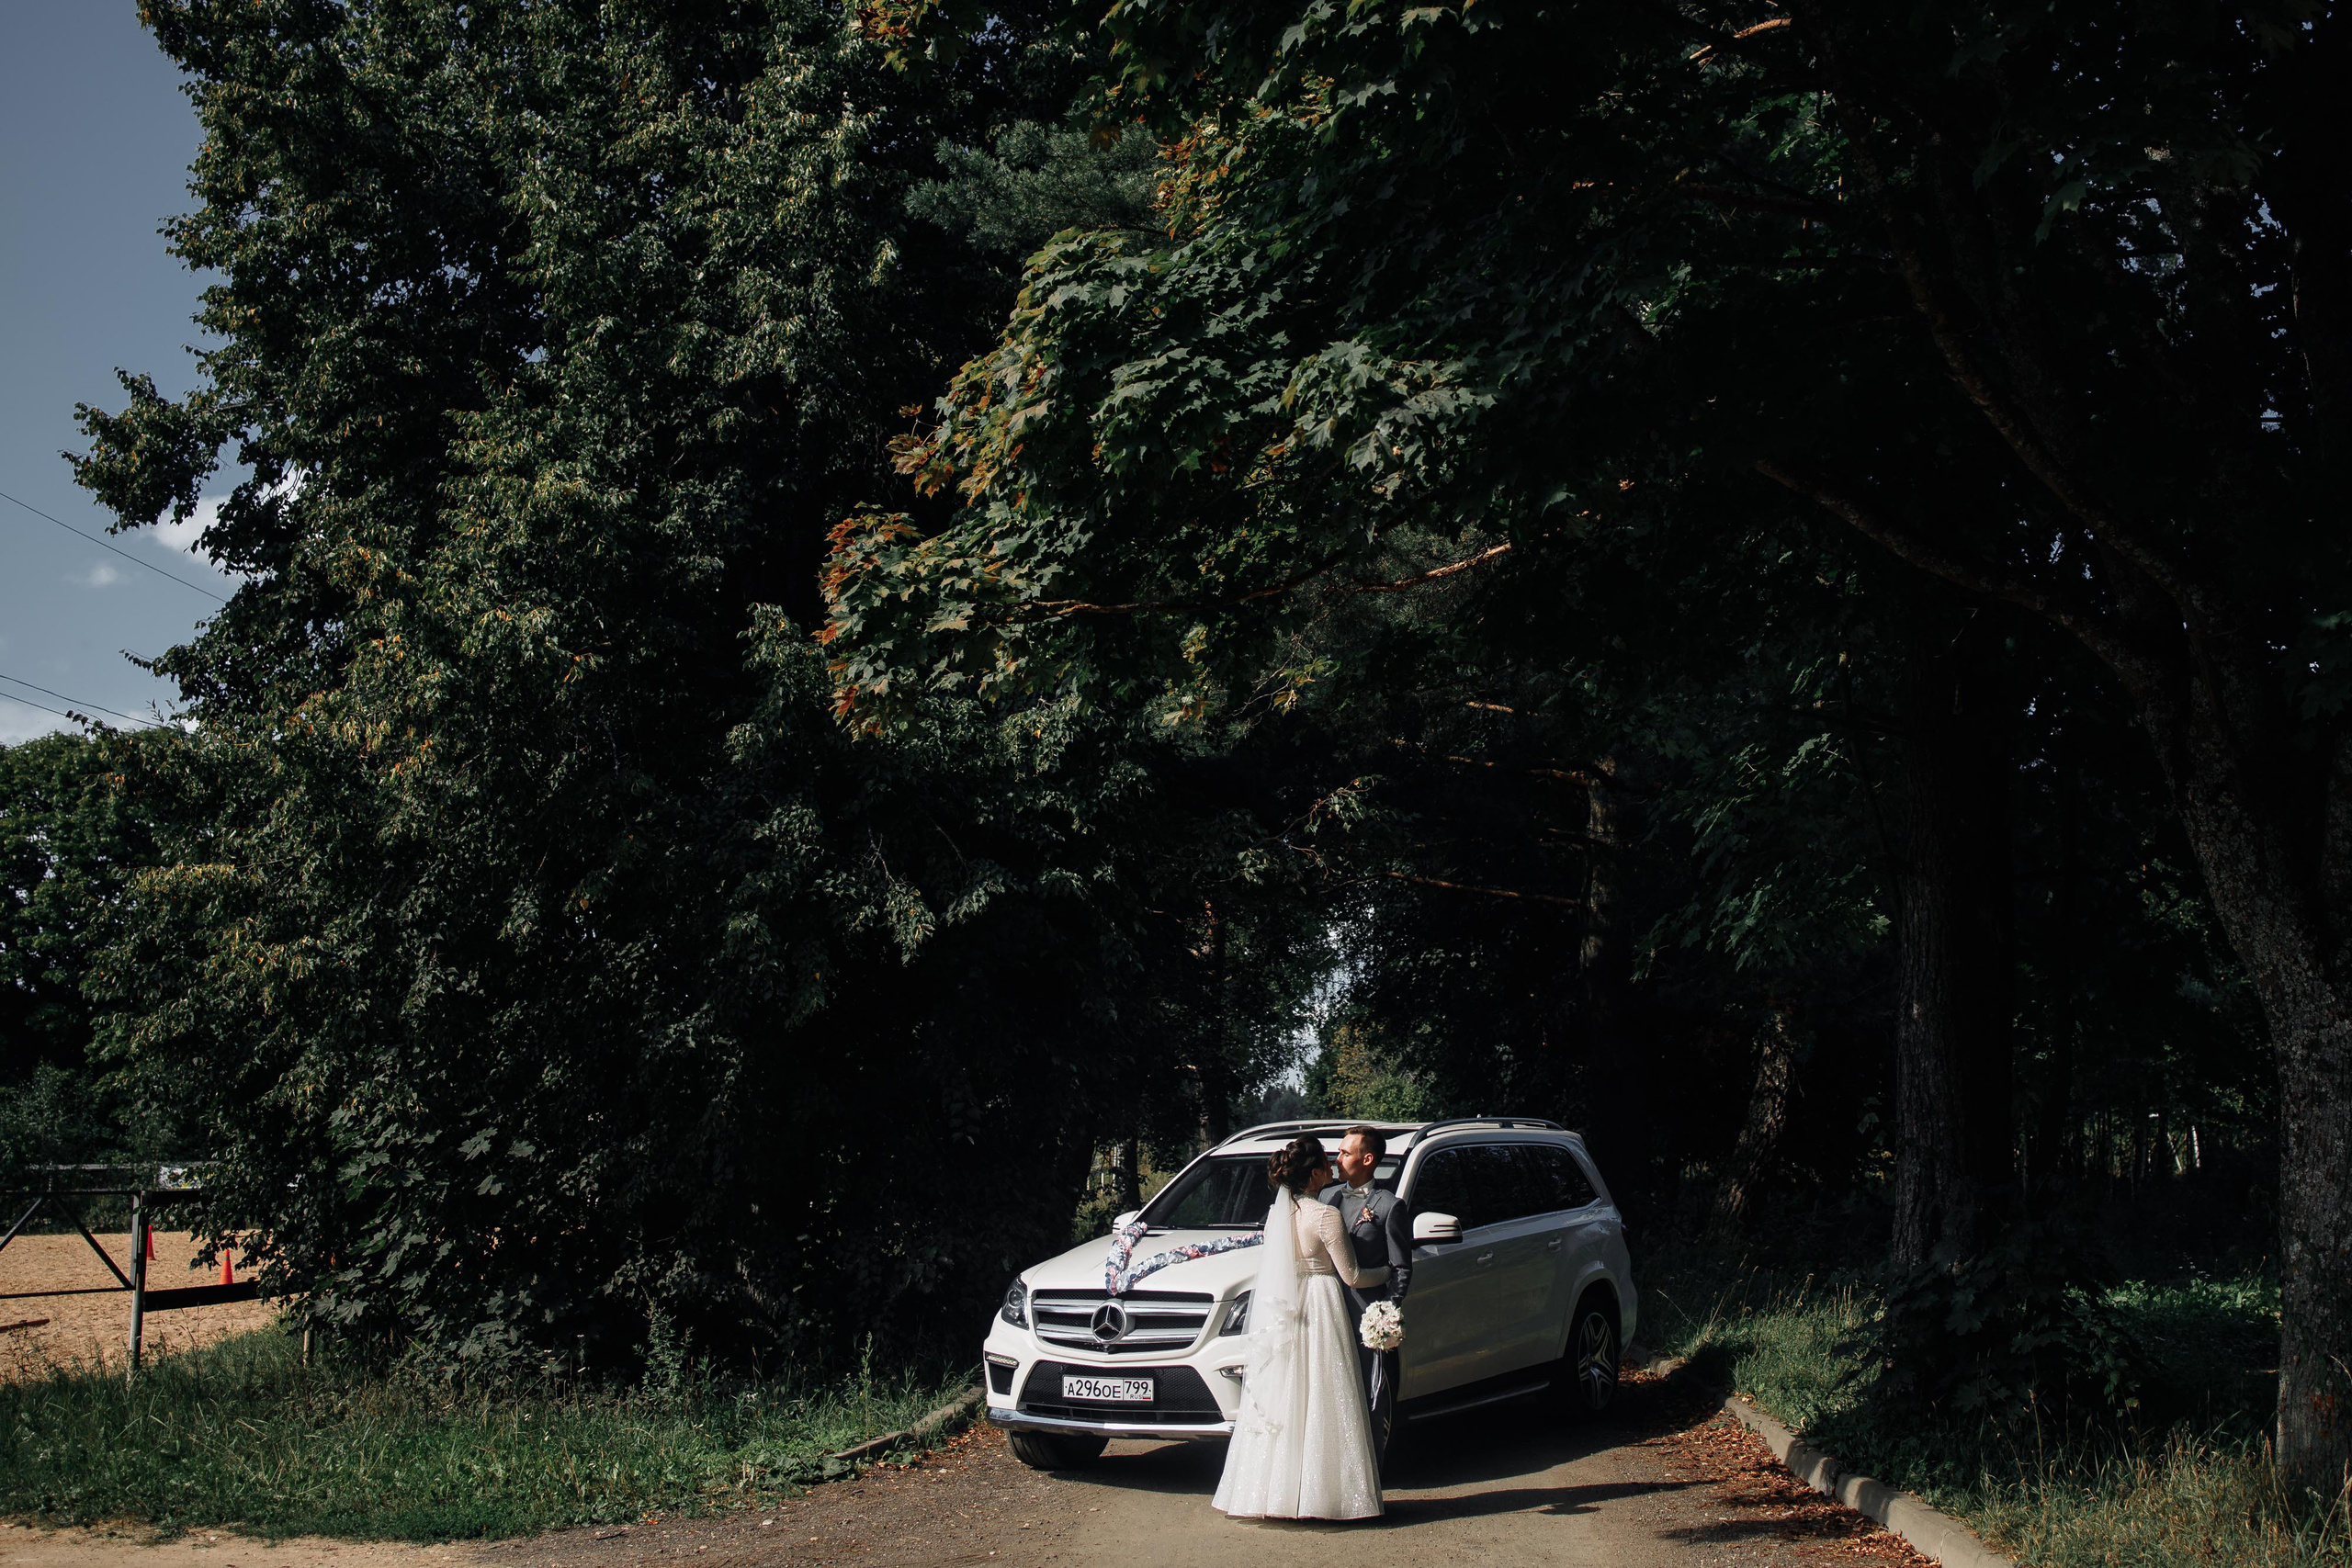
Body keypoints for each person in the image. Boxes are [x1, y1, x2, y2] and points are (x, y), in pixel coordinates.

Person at [1211, 1135, 1388, 1521]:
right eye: (1327, 1163)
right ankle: (1324, 1496)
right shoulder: (1324, 1215)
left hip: (1285, 1308)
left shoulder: (1279, 1215)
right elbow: (1353, 1275)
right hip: (1321, 1305)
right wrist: (1388, 1272)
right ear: (1313, 1174)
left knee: (1286, 1398)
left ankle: (1271, 1495)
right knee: (1323, 1396)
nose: (1333, 1168)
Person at [1318, 1125, 1411, 1449]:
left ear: (1367, 1158)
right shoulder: (1326, 1198)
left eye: (1345, 1152)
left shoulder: (1388, 1206)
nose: (1337, 1158)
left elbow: (1401, 1268)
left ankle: (1376, 1482)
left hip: (1365, 1320)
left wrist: (1385, 1313)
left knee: (1372, 1404)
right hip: (1327, 1315)